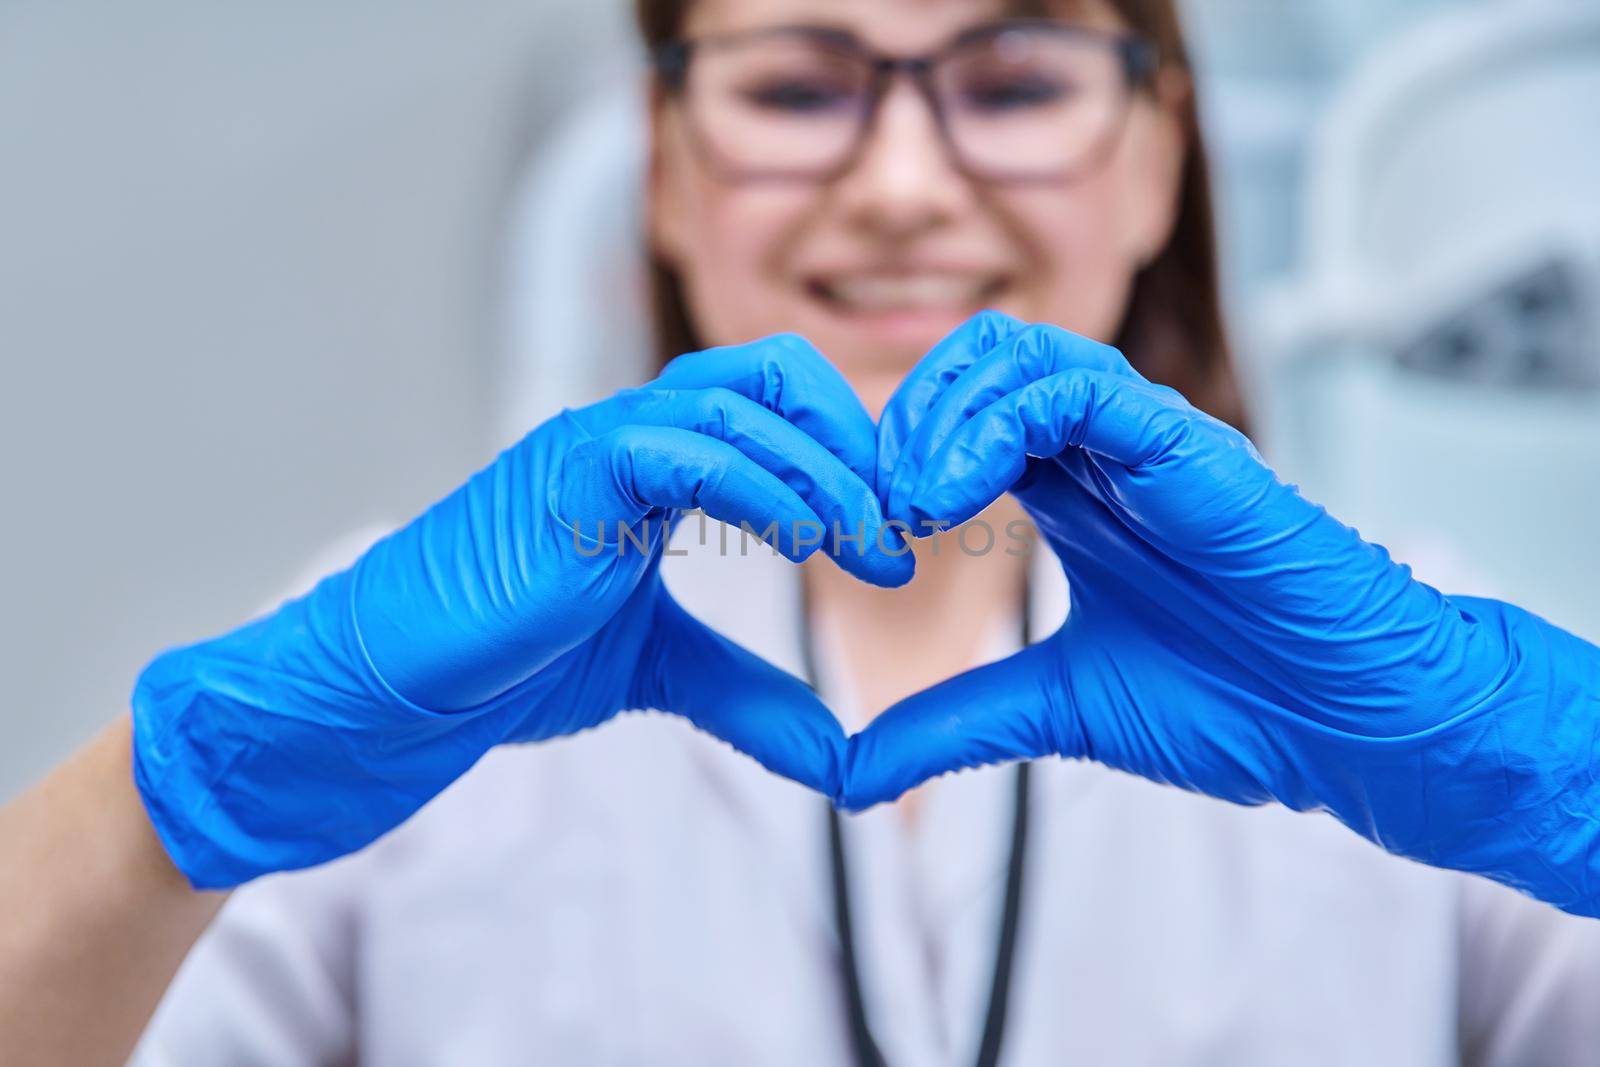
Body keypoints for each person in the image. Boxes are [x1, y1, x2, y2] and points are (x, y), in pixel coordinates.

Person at [4, 1, 1599, 1065]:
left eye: (1016, 79)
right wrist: (166, 805)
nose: (902, 184)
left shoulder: (1401, 689)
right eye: (797, 86)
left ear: (1157, 158)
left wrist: (1560, 782)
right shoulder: (412, 681)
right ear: (670, 170)